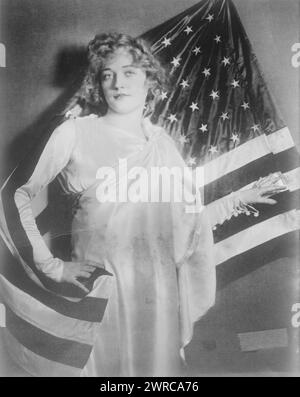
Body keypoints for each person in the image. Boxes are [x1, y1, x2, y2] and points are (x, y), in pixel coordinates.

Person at [13, 33, 285, 376]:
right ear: (98, 83)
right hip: (103, 294)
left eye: (129, 72)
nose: (117, 82)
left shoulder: (164, 145)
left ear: (149, 80)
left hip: (156, 297)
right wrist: (52, 266)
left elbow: (186, 229)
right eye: (107, 74)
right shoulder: (75, 133)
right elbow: (16, 195)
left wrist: (235, 200)